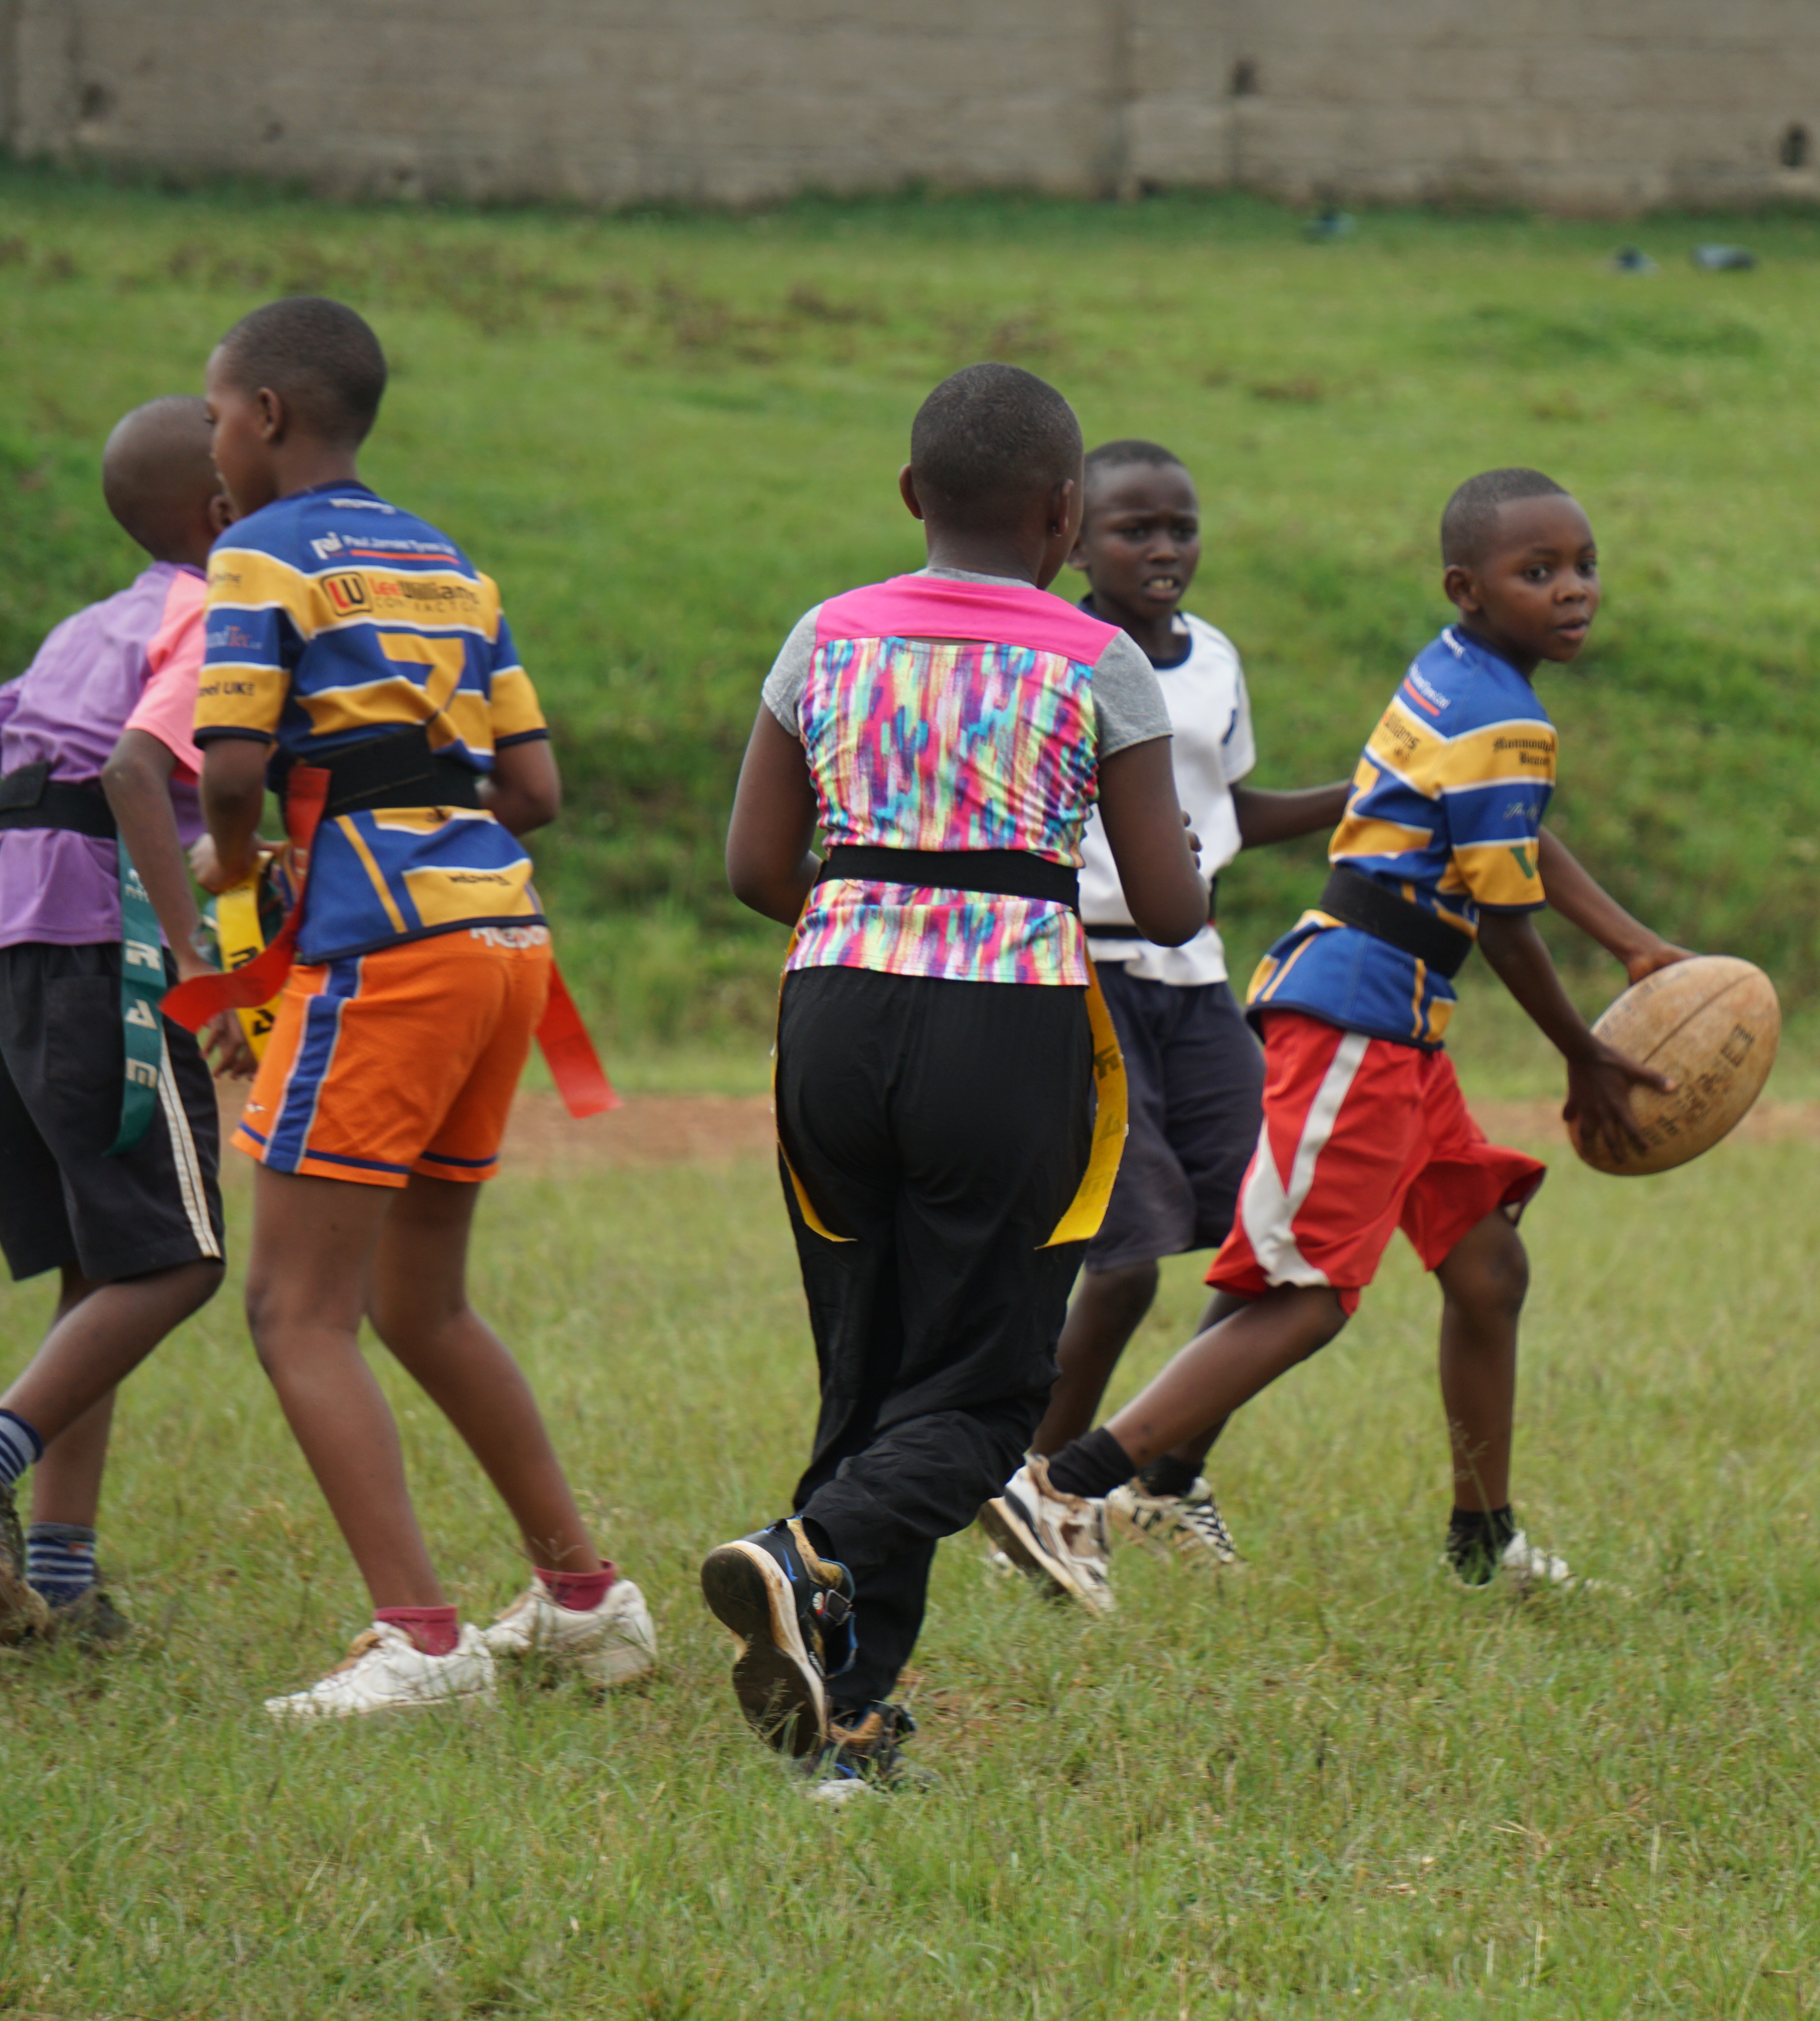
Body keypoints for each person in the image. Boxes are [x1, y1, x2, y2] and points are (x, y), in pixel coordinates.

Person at [982, 467, 1689, 1614]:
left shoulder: (1459, 668)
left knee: (1486, 1265)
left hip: (1398, 1021)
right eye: (1538, 572)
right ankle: (1069, 1487)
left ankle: (1482, 1540)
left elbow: (1520, 842)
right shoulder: (1497, 711)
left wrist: (1639, 950)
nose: (1572, 592)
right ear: (1467, 585)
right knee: (1307, 1294)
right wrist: (1584, 1049)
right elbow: (1502, 915)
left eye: (1583, 566)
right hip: (1357, 1017)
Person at [702, 364, 1206, 1801]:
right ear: (1065, 514)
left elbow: (753, 871)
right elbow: (1166, 908)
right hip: (1011, 1023)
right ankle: (807, 1557)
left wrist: (874, 915)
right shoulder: (1095, 658)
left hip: (837, 1007)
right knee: (989, 1389)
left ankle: (847, 1726)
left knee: (871, 1361)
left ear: (914, 496)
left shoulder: (825, 636)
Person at [181, 295, 655, 1720]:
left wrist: (243, 874)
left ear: (266, 413)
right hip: (501, 940)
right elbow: (537, 793)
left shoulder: (257, 556)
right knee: (420, 1297)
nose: (214, 439)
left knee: (294, 1307)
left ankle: (424, 1648)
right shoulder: (452, 564)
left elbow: (224, 769)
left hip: (382, 950)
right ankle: (585, 1603)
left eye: (215, 413)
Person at [0, 398, 239, 1653]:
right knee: (182, 1258)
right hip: (97, 941)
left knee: (106, 1259)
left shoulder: (90, 622)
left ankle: (65, 1579)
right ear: (228, 512)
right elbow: (138, 771)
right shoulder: (210, 616)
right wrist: (194, 953)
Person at [1013, 438, 1350, 1569]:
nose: (1162, 549)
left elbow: (1233, 807)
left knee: (1271, 1239)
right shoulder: (1058, 659)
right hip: (1087, 977)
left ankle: (1164, 1481)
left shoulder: (1215, 661)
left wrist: (1378, 798)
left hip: (1198, 982)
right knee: (1124, 1265)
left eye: (1180, 528)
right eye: (1133, 529)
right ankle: (1042, 1496)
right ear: (1073, 539)